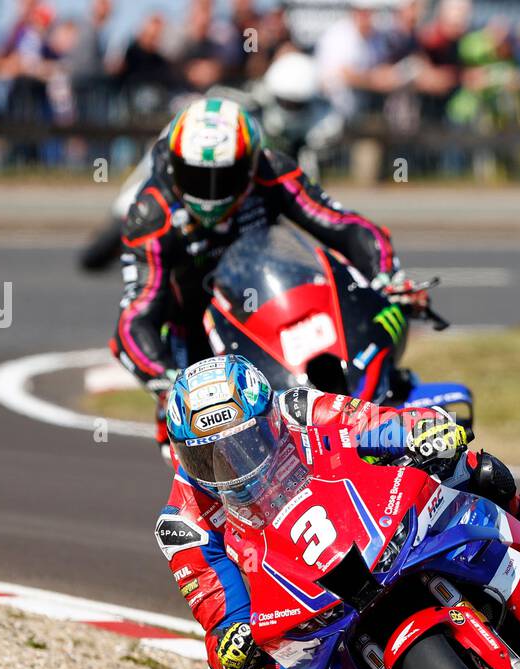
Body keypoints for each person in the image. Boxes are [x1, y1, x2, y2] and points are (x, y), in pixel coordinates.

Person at [157, 355, 520, 669]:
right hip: (299, 604)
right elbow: (219, 616)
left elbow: (374, 422)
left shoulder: (298, 410)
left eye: (244, 444)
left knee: (470, 467)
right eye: (207, 458)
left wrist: (423, 430)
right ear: (180, 453)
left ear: (269, 420)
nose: (230, 467)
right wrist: (233, 646)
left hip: (372, 529)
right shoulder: (184, 523)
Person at [110, 96, 405, 452]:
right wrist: (166, 378)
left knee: (370, 366)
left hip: (272, 303)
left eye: (225, 177)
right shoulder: (152, 215)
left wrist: (387, 276)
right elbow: (134, 319)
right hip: (196, 332)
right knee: (198, 446)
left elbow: (345, 226)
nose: (211, 194)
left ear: (249, 166)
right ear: (173, 168)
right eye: (197, 178)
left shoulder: (271, 171)